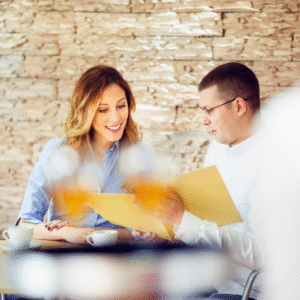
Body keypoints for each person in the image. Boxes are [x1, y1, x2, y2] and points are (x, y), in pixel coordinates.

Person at [133, 62, 264, 299]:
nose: (203, 121)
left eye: (209, 110)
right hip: (213, 274)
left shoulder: (277, 162)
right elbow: (207, 219)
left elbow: (259, 254)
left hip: (250, 290)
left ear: (239, 106)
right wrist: (166, 226)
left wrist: (180, 219)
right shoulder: (218, 149)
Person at [17, 65, 155, 244]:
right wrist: (65, 232)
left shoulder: (140, 156)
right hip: (67, 258)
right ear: (85, 111)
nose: (115, 118)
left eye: (121, 106)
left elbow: (148, 229)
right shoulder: (57, 152)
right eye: (103, 110)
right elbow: (24, 223)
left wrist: (91, 232)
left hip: (119, 259)